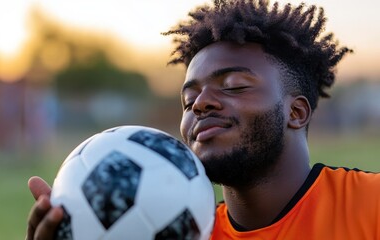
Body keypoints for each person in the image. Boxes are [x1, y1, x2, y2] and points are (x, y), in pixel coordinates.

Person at [25, 0, 380, 239]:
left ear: (296, 112)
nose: (201, 104)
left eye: (234, 85)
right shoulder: (178, 231)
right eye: (188, 98)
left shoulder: (370, 205)